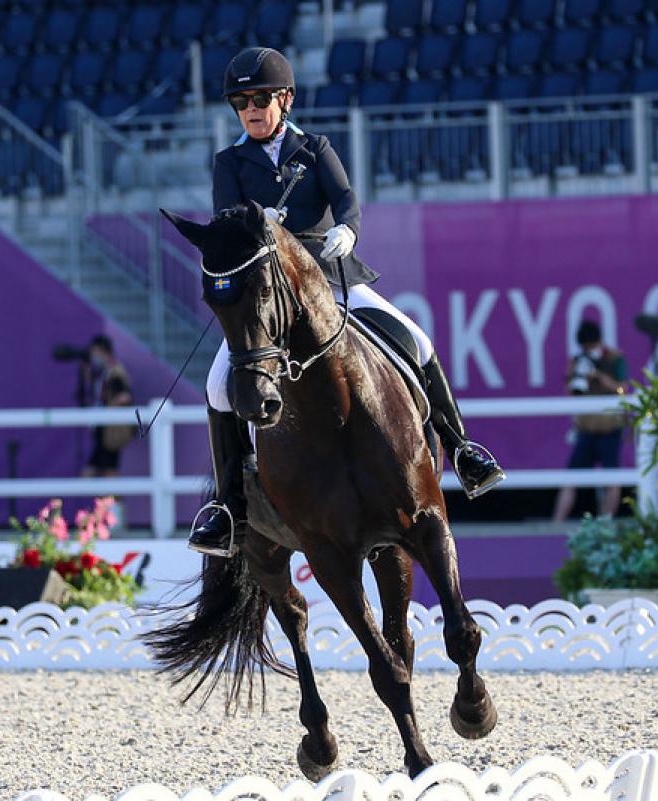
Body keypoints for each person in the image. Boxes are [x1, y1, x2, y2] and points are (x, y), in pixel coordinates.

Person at [188, 47, 505, 557]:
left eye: (261, 97)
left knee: (417, 341)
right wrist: (255, 222)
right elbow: (227, 217)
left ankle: (464, 450)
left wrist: (346, 233)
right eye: (241, 101)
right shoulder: (230, 162)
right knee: (218, 386)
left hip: (330, 278)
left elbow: (347, 200)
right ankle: (227, 509)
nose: (251, 107)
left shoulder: (314, 148)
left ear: (284, 99)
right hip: (272, 292)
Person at [551, 320, 628, 523]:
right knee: (571, 479)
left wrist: (600, 377)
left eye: (591, 346)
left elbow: (623, 389)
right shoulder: (578, 361)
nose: (589, 350)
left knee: (612, 479)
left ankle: (605, 522)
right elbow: (572, 393)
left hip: (610, 428)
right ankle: (556, 523)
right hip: (586, 429)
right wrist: (572, 376)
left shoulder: (614, 359)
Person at [80, 335, 134, 478]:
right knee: (102, 470)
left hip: (111, 430)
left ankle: (116, 500)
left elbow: (125, 397)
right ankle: (110, 499)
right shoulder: (104, 372)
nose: (94, 357)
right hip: (103, 429)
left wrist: (107, 411)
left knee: (108, 471)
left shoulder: (116, 373)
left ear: (105, 352)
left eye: (96, 353)